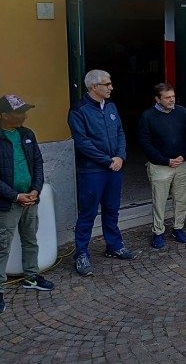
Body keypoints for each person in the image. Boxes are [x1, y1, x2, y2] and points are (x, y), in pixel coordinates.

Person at [68, 70, 134, 277]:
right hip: (92, 170)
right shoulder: (79, 111)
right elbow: (82, 143)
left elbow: (121, 133)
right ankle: (81, 253)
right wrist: (107, 160)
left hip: (114, 168)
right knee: (88, 213)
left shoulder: (112, 107)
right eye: (107, 84)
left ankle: (113, 245)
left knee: (112, 209)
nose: (111, 87)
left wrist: (121, 157)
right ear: (94, 87)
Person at [0, 95, 54, 312]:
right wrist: (15, 196)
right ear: (4, 115)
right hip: (8, 202)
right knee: (2, 246)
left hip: (30, 198)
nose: (24, 115)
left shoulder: (27, 134)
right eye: (19, 112)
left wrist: (35, 190)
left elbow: (38, 164)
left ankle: (31, 277)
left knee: (31, 239)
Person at [138, 83, 186, 249]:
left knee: (181, 199)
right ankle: (158, 231)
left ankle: (178, 228)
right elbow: (145, 143)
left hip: (182, 163)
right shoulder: (147, 116)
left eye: (173, 96)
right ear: (157, 99)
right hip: (159, 166)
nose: (172, 100)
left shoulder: (182, 112)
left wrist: (184, 155)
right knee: (159, 201)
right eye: (167, 97)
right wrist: (165, 160)